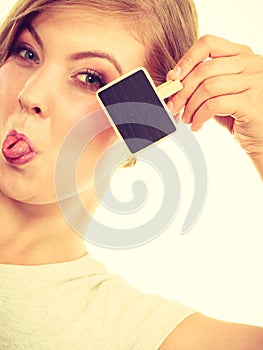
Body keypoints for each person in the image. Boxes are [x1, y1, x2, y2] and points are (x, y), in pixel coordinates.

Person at [0, 0, 262, 349]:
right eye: (27, 53)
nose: (29, 93)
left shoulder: (131, 334)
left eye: (91, 78)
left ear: (144, 126)